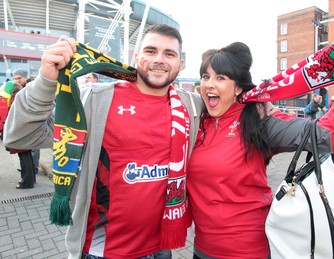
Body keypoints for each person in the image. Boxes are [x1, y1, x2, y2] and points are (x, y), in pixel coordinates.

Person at [4, 24, 203, 259]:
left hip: (161, 248)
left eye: (169, 54)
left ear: (180, 65)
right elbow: (22, 136)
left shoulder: (192, 107)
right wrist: (46, 81)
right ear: (137, 57)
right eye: (151, 51)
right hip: (102, 251)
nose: (159, 59)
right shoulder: (96, 99)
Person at [186, 42, 334, 258]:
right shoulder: (195, 122)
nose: (209, 84)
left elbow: (324, 135)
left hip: (246, 250)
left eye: (220, 78)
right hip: (201, 249)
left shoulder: (259, 121)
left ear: (238, 87)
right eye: (205, 76)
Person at [0, 81, 34, 189]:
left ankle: (26, 181)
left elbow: (15, 115)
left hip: (20, 131)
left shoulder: (17, 96)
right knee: (27, 155)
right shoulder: (24, 94)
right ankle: (31, 179)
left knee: (24, 157)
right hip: (26, 130)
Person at [13, 69, 41, 180]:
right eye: (15, 78)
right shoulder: (19, 88)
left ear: (25, 77)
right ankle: (29, 169)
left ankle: (33, 169)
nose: (17, 80)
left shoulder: (31, 87)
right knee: (28, 149)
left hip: (34, 122)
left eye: (19, 78)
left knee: (34, 148)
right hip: (26, 122)